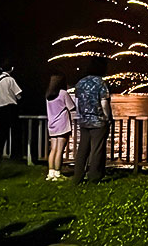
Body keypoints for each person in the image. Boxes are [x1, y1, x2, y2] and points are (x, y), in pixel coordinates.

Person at [73, 57, 112, 185]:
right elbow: (104, 103)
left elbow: (77, 102)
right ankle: (94, 177)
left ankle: (77, 176)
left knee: (83, 149)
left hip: (84, 121)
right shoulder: (101, 83)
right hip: (98, 121)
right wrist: (108, 117)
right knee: (97, 149)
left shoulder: (80, 83)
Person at [45, 72, 75, 181]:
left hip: (52, 124)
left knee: (53, 149)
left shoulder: (48, 94)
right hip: (62, 124)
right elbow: (72, 107)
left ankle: (50, 173)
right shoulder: (63, 93)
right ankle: (57, 173)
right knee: (60, 150)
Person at [0, 59, 22, 159]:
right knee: (15, 132)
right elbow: (18, 95)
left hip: (1, 108)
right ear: (12, 69)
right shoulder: (10, 80)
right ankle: (15, 154)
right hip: (11, 107)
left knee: (2, 132)